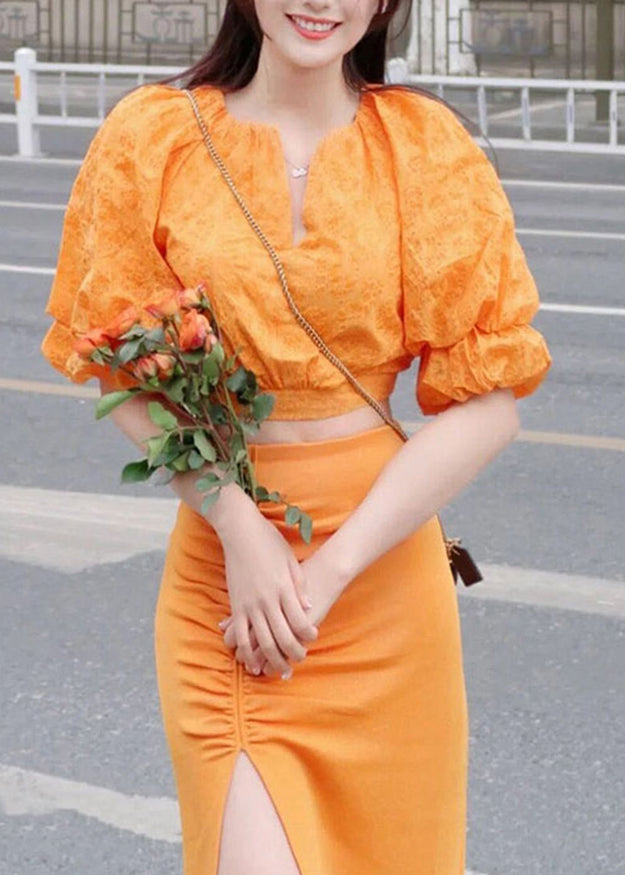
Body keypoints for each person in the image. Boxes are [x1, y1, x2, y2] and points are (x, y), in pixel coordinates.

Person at [40, 0, 553, 870]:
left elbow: (488, 404)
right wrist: (239, 527)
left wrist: (330, 569)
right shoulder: (153, 136)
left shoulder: (424, 147)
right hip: (233, 590)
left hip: (380, 576)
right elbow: (118, 367)